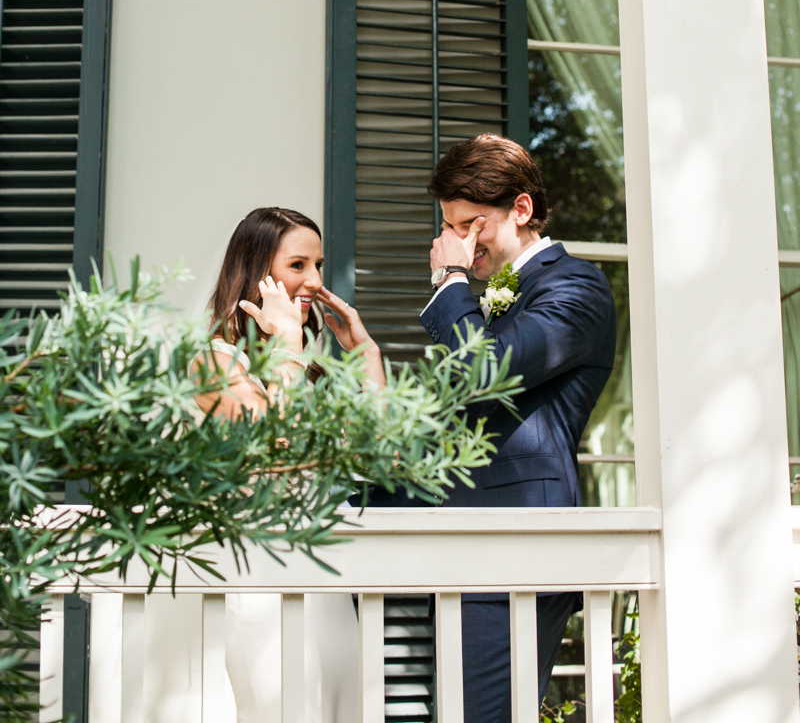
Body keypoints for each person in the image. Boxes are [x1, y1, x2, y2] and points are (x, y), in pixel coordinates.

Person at [421, 135, 617, 723]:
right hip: (469, 541)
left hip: (518, 541)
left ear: (521, 210)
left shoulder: (574, 287)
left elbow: (485, 372)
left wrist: (450, 286)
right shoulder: (504, 298)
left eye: (469, 224)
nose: (457, 241)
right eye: (449, 227)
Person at [194, 206, 385, 723]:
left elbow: (377, 452)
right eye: (298, 265)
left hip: (328, 587)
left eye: (318, 265)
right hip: (261, 584)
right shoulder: (214, 364)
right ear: (256, 273)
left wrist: (366, 353)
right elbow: (282, 447)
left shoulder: (310, 367)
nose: (315, 282)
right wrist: (285, 351)